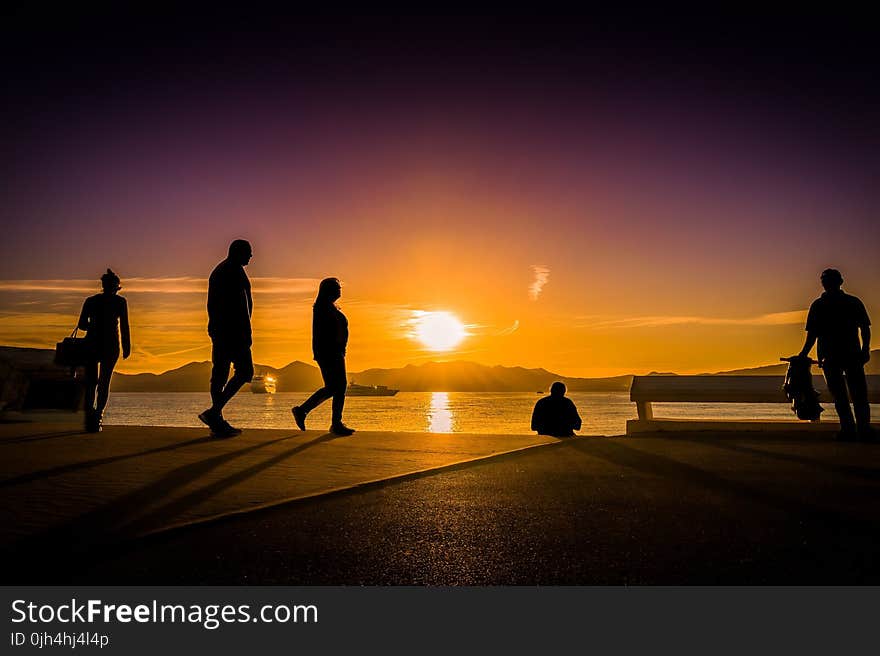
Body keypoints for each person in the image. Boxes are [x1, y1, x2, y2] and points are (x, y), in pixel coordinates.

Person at [799, 268, 872, 440]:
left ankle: (860, 429)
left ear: (839, 282)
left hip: (849, 355)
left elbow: (865, 328)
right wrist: (803, 353)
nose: (827, 284)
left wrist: (865, 349)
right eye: (825, 281)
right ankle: (851, 429)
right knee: (843, 395)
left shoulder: (851, 302)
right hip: (832, 357)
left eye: (829, 280)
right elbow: (813, 334)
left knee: (856, 394)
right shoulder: (819, 305)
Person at [199, 239, 254, 437]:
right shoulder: (230, 271)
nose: (251, 256)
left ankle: (216, 419)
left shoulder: (227, 270)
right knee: (244, 371)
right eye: (248, 252)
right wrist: (245, 333)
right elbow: (237, 307)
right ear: (238, 252)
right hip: (232, 331)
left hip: (223, 330)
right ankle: (215, 414)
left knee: (220, 374)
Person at [292, 277, 355, 436]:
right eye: (337, 288)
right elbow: (324, 333)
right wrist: (335, 349)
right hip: (330, 353)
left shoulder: (329, 307)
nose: (340, 290)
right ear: (328, 290)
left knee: (334, 387)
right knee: (339, 386)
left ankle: (303, 411)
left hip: (334, 352)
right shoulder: (322, 308)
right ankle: (335, 423)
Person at [78, 269, 131, 432]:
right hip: (111, 345)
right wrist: (127, 346)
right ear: (116, 287)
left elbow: (81, 325)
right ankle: (98, 415)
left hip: (92, 343)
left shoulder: (91, 301)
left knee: (91, 382)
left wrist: (93, 326)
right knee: (103, 382)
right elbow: (124, 325)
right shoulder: (120, 302)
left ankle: (90, 416)